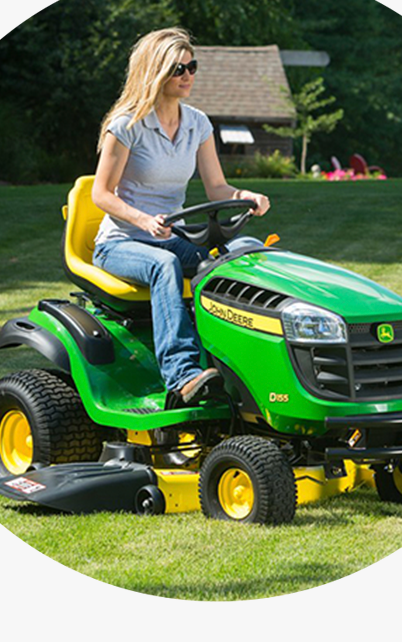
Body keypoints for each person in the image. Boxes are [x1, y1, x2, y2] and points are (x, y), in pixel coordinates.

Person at [91, 28, 270, 407]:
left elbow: (218, 188)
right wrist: (142, 220)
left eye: (192, 66)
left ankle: (238, 360)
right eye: (178, 68)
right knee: (165, 264)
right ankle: (182, 374)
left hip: (170, 236)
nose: (188, 74)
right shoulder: (126, 126)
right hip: (121, 243)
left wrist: (245, 196)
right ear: (155, 72)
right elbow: (100, 194)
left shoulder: (198, 124)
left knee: (239, 255)